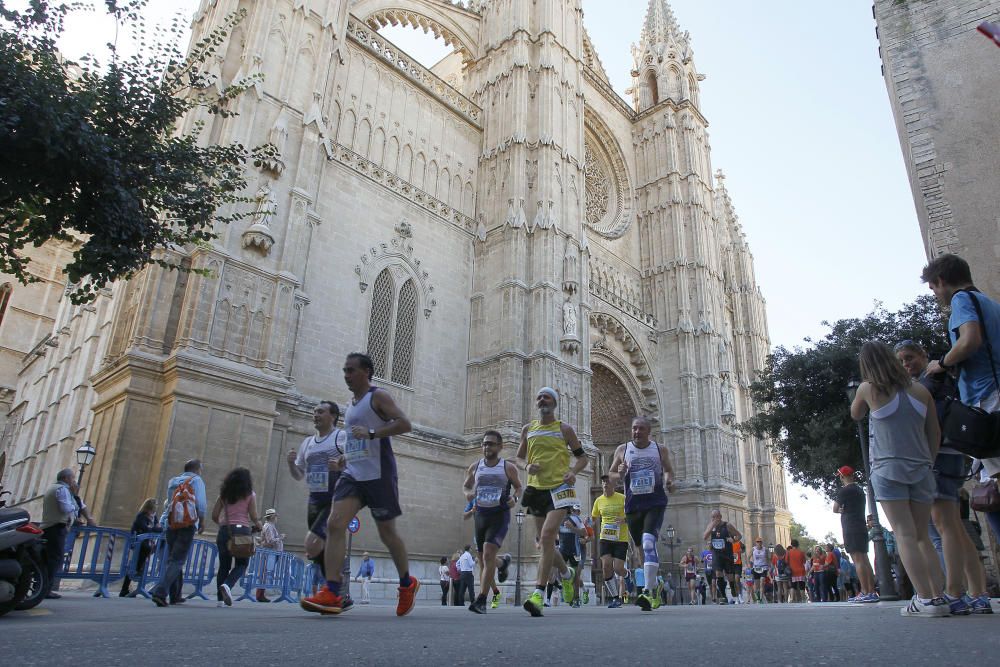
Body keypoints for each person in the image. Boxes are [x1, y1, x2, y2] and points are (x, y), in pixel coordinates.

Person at [301, 353, 420, 617]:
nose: (346, 375)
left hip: (379, 475)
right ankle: (333, 591)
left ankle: (406, 583)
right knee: (334, 524)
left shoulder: (378, 396)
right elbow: (357, 441)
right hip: (353, 474)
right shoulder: (351, 405)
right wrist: (346, 456)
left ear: (366, 372)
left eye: (351, 370)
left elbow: (405, 424)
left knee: (387, 534)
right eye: (344, 370)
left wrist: (373, 433)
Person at [851, 341, 948, 617]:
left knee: (904, 534)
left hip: (888, 468)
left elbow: (855, 413)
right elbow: (935, 433)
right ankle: (937, 597)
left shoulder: (869, 388)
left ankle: (925, 599)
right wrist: (927, 461)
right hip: (921, 468)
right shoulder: (920, 391)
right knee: (922, 537)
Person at [897, 339, 993, 614]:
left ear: (923, 355)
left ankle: (954, 593)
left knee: (944, 524)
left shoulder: (928, 381)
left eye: (910, 357)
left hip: (938, 455)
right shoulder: (940, 378)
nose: (906, 364)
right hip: (953, 453)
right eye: (902, 361)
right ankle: (978, 592)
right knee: (954, 525)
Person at [517, 386, 588, 617]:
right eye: (538, 397)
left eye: (546, 397)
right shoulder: (528, 429)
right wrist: (527, 466)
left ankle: (538, 593)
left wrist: (573, 472)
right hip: (536, 489)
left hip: (559, 490)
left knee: (547, 537)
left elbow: (583, 458)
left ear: (555, 403)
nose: (541, 400)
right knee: (545, 544)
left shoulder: (565, 429)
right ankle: (567, 574)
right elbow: (518, 458)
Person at [608, 415, 674, 611]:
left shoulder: (659, 449)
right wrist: (618, 474)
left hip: (655, 502)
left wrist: (670, 481)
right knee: (639, 550)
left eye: (641, 429)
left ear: (649, 431)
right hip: (633, 505)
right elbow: (610, 476)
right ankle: (654, 585)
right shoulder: (623, 450)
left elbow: (669, 470)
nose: (636, 432)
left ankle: (647, 591)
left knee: (647, 542)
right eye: (634, 428)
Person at [285, 401, 347, 588]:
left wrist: (341, 465)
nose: (315, 415)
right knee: (318, 548)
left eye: (320, 412)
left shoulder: (340, 436)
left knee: (312, 543)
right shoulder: (308, 443)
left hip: (335, 497)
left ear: (333, 416)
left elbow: (356, 460)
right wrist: (290, 464)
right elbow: (299, 474)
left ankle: (333, 586)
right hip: (314, 498)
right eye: (314, 412)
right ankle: (337, 587)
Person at [462, 430, 522, 613]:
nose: (487, 447)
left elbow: (519, 488)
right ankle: (502, 564)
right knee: (483, 560)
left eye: (491, 444)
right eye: (485, 443)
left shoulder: (508, 467)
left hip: (499, 515)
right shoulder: (475, 466)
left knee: (487, 555)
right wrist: (468, 494)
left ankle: (481, 600)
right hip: (480, 515)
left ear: (500, 446)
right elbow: (466, 486)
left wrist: (515, 499)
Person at [151, 459, 207, 607]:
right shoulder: (196, 480)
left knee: (173, 559)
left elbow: (169, 503)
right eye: (201, 469)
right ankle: (160, 592)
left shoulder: (173, 481)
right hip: (187, 523)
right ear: (196, 469)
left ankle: (175, 595)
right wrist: (201, 521)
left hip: (171, 523)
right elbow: (200, 504)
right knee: (177, 560)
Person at [212, 467, 262, 607]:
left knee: (224, 565)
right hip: (242, 532)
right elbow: (253, 516)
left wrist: (223, 525)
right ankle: (228, 585)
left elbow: (214, 515)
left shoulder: (224, 495)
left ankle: (219, 600)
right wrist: (259, 525)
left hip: (224, 531)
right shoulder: (250, 494)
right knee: (242, 563)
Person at [832, 465, 877, 602]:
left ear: (842, 476)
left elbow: (835, 508)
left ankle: (864, 591)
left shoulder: (844, 491)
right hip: (861, 526)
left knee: (857, 560)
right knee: (865, 559)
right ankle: (872, 591)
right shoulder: (859, 490)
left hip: (850, 527)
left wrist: (842, 510)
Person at [39, 468, 79, 600]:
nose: (74, 481)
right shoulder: (62, 490)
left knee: (49, 559)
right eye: (72, 478)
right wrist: (74, 504)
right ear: (66, 478)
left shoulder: (52, 488)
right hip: (56, 528)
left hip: (48, 527)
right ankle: (46, 589)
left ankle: (42, 588)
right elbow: (66, 508)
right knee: (54, 559)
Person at [592, 474, 631, 608]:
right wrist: (588, 526)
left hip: (620, 538)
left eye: (607, 482)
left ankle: (627, 575)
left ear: (613, 484)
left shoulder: (623, 499)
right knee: (606, 566)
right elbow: (594, 517)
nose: (605, 484)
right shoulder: (598, 500)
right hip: (605, 538)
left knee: (618, 568)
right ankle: (616, 598)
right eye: (603, 482)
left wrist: (624, 520)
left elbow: (633, 515)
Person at [120, 498, 161, 597]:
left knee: (141, 566)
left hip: (149, 544)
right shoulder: (141, 516)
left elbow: (159, 528)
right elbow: (145, 528)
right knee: (135, 566)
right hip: (140, 545)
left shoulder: (154, 517)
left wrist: (154, 529)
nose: (157, 507)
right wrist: (154, 529)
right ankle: (125, 589)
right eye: (155, 505)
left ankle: (138, 587)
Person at [703, 509, 741, 604]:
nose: (714, 519)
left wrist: (733, 540)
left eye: (716, 516)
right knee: (718, 574)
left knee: (730, 577)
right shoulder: (711, 526)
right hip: (716, 554)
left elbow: (739, 536)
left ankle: (732, 587)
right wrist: (711, 526)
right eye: (712, 517)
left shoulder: (727, 525)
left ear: (720, 516)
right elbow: (704, 537)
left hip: (727, 554)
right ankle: (723, 596)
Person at [558, 505, 587, 607]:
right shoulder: (558, 519)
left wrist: (572, 528)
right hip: (562, 550)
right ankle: (567, 589)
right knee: (559, 570)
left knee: (576, 575)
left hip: (575, 551)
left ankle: (576, 599)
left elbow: (584, 532)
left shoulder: (576, 519)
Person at [256, 508, 284, 602]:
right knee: (265, 573)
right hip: (270, 553)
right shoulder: (269, 526)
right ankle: (260, 594)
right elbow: (270, 541)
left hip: (271, 553)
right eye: (276, 516)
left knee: (265, 573)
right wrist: (280, 538)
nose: (277, 518)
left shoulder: (269, 526)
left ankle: (261, 594)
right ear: (272, 517)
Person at [750, 538, 768, 603]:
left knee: (762, 582)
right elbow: (748, 556)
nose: (759, 543)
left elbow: (769, 558)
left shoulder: (765, 549)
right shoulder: (753, 549)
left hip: (763, 568)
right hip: (756, 568)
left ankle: (761, 597)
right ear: (756, 543)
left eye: (760, 542)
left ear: (762, 542)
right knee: (756, 585)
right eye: (757, 542)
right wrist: (748, 566)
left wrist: (769, 566)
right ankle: (758, 598)